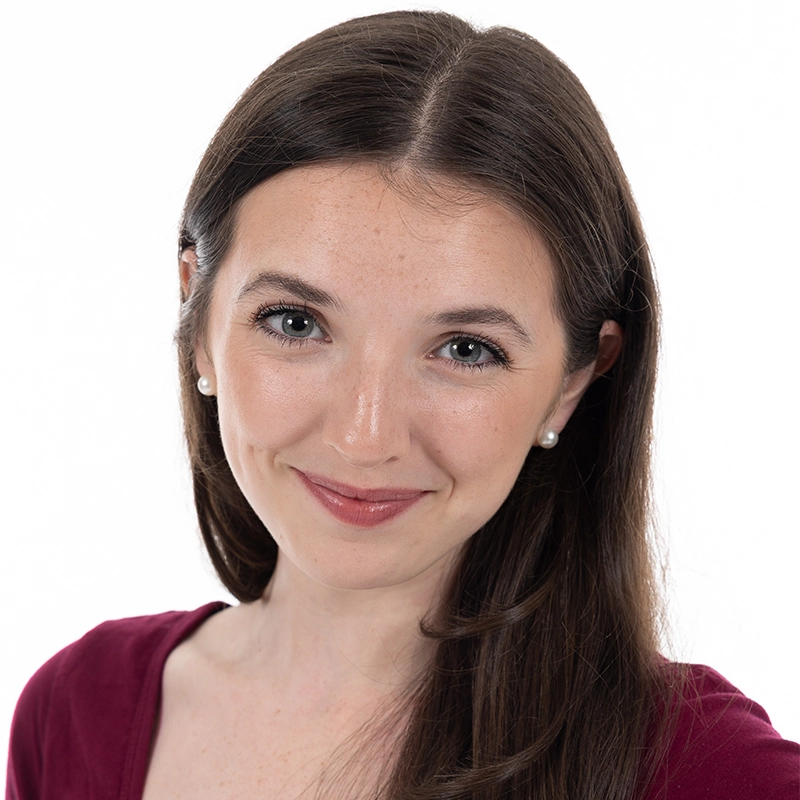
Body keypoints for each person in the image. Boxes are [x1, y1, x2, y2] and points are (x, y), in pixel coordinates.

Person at [6, 10, 799, 800]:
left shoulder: (705, 774)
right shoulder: (75, 712)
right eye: (295, 323)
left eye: (465, 350)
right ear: (200, 318)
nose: (364, 436)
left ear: (576, 380)